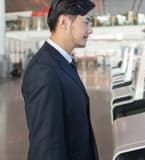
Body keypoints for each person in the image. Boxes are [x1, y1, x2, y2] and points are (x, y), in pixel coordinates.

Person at [21, 0, 99, 160]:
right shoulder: (43, 70)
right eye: (85, 23)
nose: (90, 30)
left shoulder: (62, 61)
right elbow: (47, 147)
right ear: (64, 22)